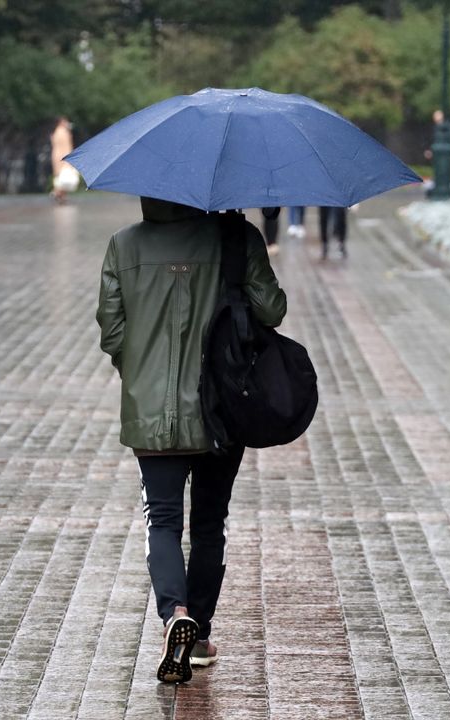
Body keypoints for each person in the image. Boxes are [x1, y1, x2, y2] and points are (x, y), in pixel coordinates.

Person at [96, 197, 286, 683]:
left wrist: (139, 374)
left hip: (151, 408)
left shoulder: (123, 245)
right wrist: (248, 246)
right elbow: (272, 309)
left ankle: (174, 614)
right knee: (208, 523)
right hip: (222, 407)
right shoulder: (236, 238)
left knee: (161, 519)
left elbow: (112, 331)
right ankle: (198, 636)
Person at [50, 117, 79, 203]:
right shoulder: (64, 132)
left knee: (60, 176)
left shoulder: (56, 132)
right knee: (65, 177)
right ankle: (57, 192)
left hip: (56, 155)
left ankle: (60, 195)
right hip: (64, 155)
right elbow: (67, 146)